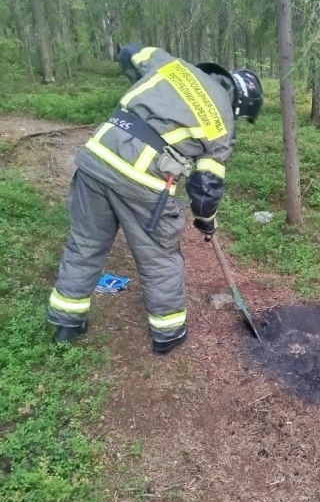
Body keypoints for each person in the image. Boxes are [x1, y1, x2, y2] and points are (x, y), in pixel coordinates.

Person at [46, 44, 263, 354]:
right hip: (143, 181)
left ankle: (66, 324)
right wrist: (206, 222)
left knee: (85, 243)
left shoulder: (173, 66)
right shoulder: (223, 125)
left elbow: (129, 53)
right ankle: (168, 333)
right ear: (239, 105)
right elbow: (205, 189)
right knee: (159, 258)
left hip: (95, 158)